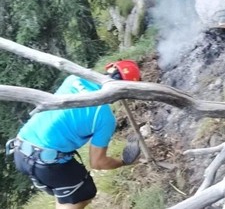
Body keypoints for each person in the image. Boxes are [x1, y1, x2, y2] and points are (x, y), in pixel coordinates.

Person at [8, 60, 143, 209]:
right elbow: (97, 162)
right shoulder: (104, 116)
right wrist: (124, 161)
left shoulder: (74, 79)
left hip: (20, 149)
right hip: (47, 164)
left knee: (68, 192)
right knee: (84, 194)